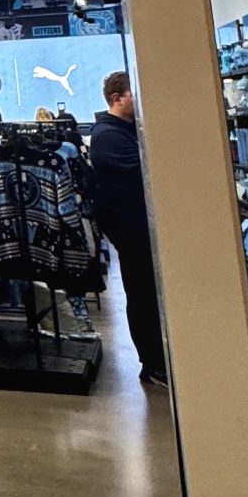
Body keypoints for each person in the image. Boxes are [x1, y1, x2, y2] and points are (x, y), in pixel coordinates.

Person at [88, 70, 168, 387]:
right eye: (134, 94)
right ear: (117, 98)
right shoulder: (107, 136)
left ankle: (157, 360)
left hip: (137, 226)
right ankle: (152, 364)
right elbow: (146, 170)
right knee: (142, 293)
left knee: (146, 293)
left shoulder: (125, 130)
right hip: (131, 229)